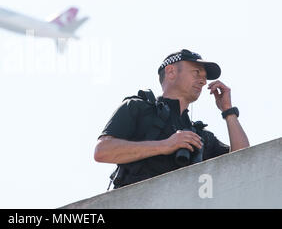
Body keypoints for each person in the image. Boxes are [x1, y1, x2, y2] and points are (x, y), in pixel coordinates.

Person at [94, 49, 249, 189]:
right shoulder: (137, 107)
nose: (203, 81)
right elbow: (102, 151)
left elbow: (243, 161)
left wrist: (228, 111)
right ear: (171, 72)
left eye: (204, 77)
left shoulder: (200, 136)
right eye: (196, 72)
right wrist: (165, 145)